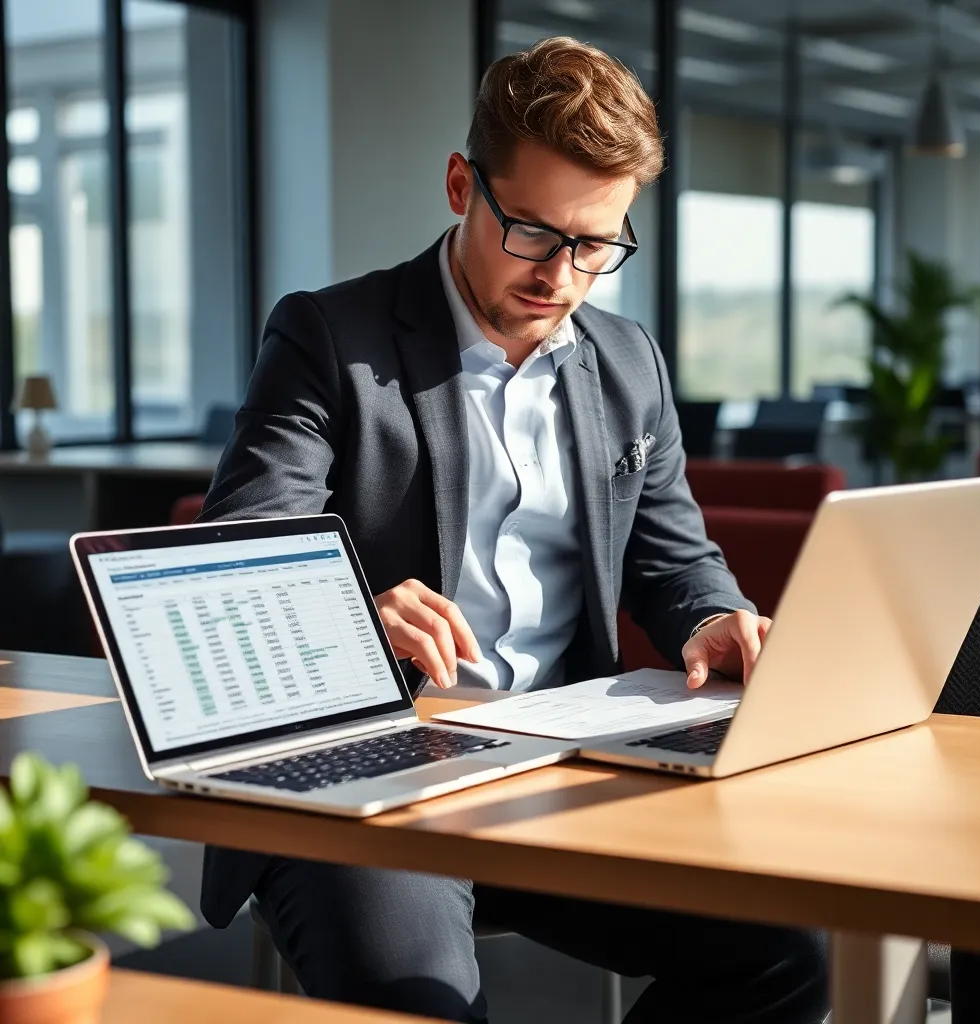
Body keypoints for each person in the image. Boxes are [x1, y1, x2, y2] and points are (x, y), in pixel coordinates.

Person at [198, 36, 828, 1024]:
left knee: (786, 957)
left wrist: (710, 615)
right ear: (461, 185)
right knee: (419, 1001)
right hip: (375, 764)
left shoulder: (629, 364)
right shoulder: (330, 337)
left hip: (563, 766)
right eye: (533, 232)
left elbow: (673, 557)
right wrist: (355, 608)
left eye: (596, 244)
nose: (563, 275)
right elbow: (238, 559)